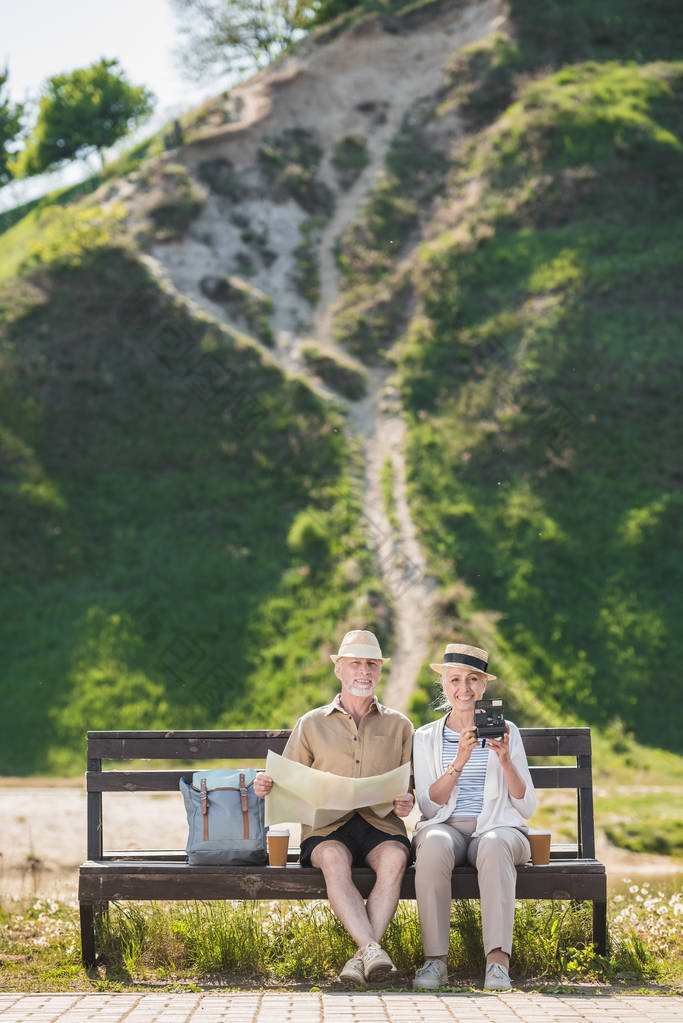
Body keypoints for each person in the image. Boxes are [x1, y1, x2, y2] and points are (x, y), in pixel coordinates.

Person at [254, 629, 415, 988]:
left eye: (371, 664)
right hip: (327, 826)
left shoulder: (400, 725)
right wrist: (267, 784)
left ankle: (362, 958)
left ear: (380, 670)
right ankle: (372, 949)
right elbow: (287, 779)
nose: (364, 671)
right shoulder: (311, 723)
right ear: (339, 669)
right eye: (355, 663)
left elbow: (410, 788)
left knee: (395, 859)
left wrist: (408, 801)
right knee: (333, 860)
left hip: (381, 824)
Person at [411, 643, 536, 991]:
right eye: (454, 680)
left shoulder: (507, 730)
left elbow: (526, 806)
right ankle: (435, 962)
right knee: (433, 843)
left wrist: (506, 760)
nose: (463, 689)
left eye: (472, 680)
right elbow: (430, 806)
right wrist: (460, 760)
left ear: (483, 686)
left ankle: (497, 964)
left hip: (499, 827)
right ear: (444, 686)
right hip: (447, 829)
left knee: (495, 845)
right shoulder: (424, 738)